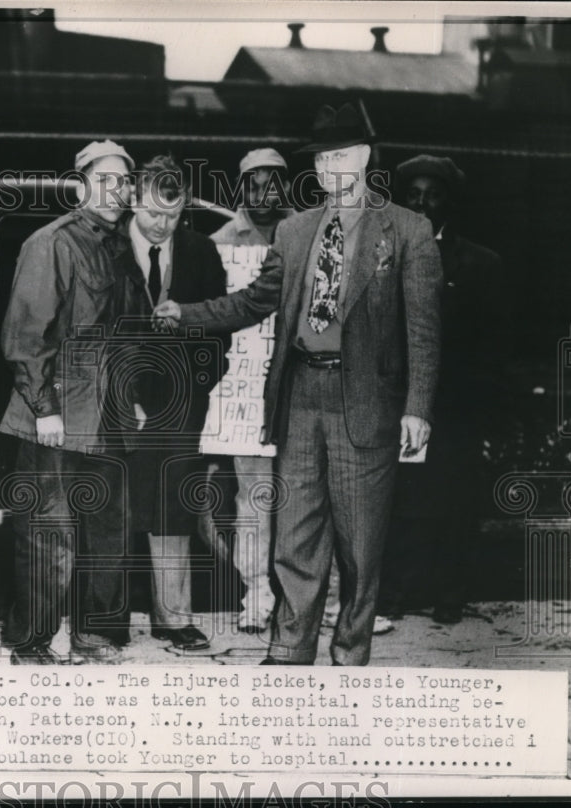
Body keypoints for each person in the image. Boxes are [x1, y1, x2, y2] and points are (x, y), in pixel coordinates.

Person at [155, 102, 442, 665]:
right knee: (294, 535)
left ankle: (350, 649)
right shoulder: (294, 229)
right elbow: (254, 301)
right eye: (320, 160)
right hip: (301, 397)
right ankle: (289, 648)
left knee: (360, 542)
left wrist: (418, 407)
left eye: (339, 156)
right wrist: (187, 314)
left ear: (362, 158)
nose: (327, 169)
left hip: (366, 403)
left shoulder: (408, 231)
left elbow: (424, 332)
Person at [0, 140, 143, 664]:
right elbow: (24, 335)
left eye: (123, 182)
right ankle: (29, 641)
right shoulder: (52, 243)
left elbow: (124, 331)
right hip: (54, 414)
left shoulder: (118, 244)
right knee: (47, 534)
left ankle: (94, 634)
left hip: (106, 415)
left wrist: (131, 395)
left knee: (107, 530)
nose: (115, 191)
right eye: (103, 180)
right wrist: (45, 409)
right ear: (81, 185)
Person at [379, 154, 508, 624]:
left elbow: (492, 344)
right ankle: (393, 593)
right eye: (413, 196)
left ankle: (449, 594)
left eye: (433, 195)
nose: (423, 204)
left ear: (449, 201)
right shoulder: (381, 257)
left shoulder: (479, 263)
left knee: (455, 499)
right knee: (399, 499)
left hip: (456, 404)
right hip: (397, 400)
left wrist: (482, 410)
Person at [121, 155, 229, 651]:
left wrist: (196, 386)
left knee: (171, 508)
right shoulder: (105, 247)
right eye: (151, 214)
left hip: (180, 404)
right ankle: (104, 616)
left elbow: (219, 332)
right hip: (115, 400)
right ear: (132, 200)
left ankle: (173, 617)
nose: (162, 225)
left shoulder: (202, 252)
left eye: (173, 214)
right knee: (109, 506)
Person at [206, 147, 291, 633]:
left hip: (300, 385)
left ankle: (327, 597)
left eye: (273, 182)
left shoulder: (308, 232)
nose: (264, 194)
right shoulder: (220, 242)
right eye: (253, 183)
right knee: (254, 496)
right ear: (241, 188)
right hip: (244, 390)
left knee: (312, 495)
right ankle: (256, 596)